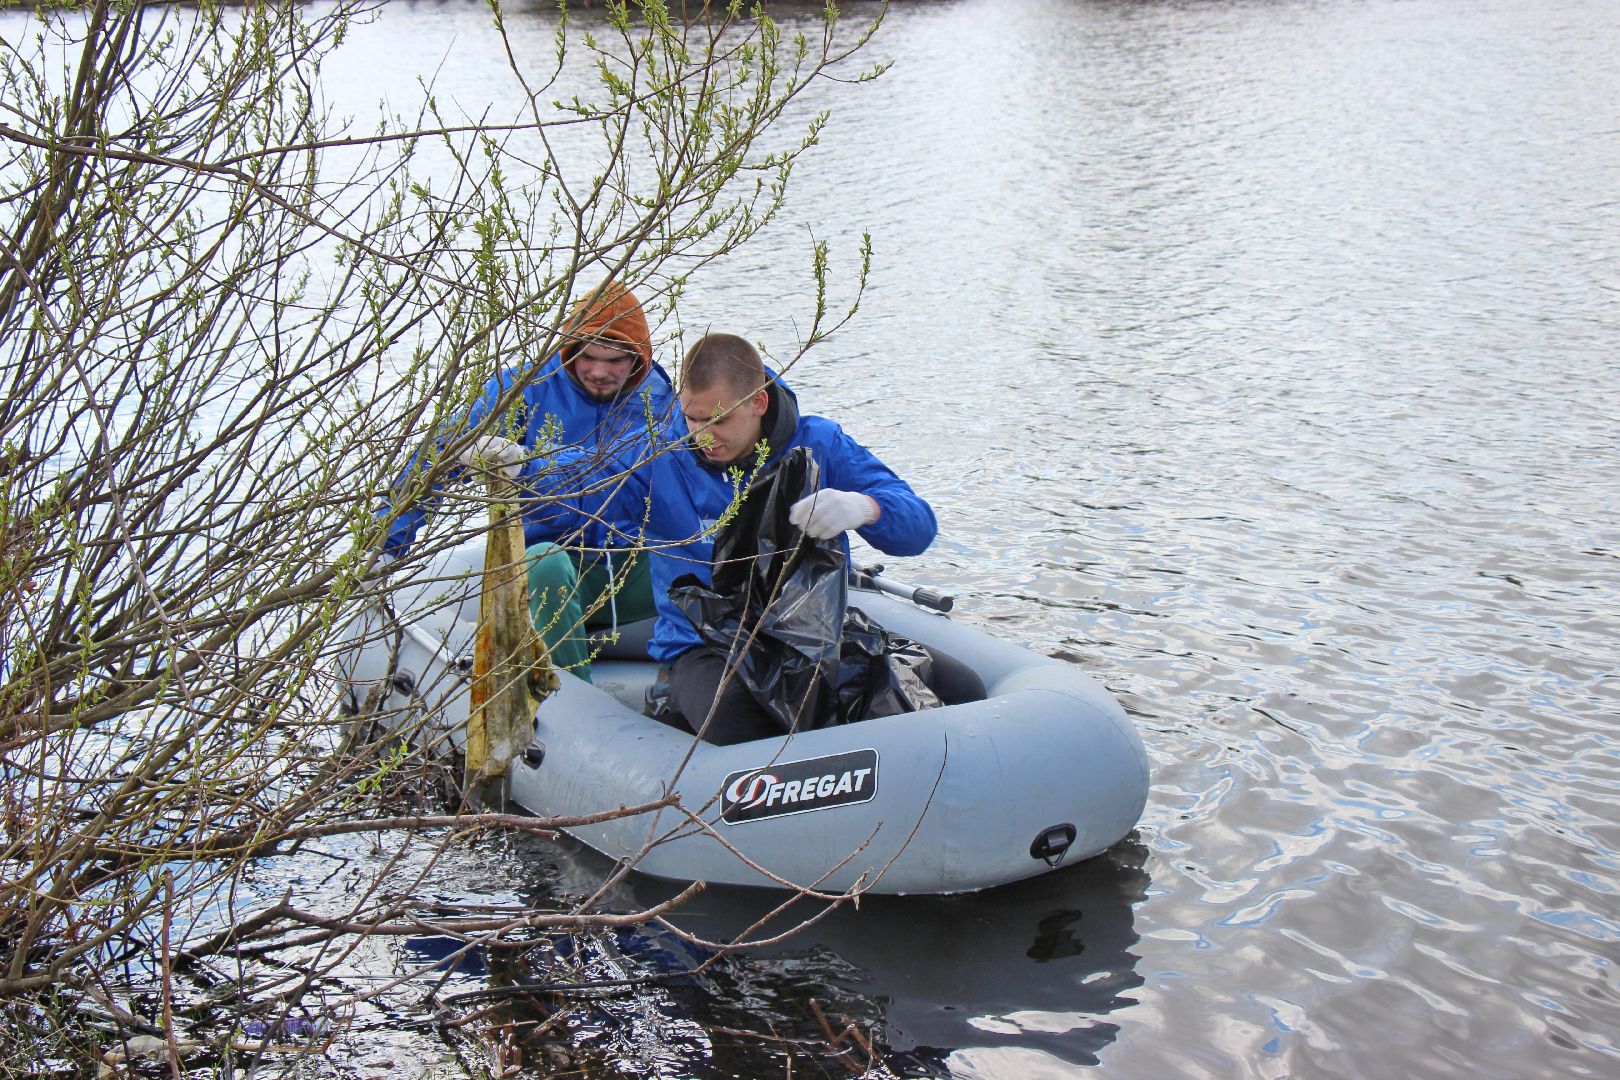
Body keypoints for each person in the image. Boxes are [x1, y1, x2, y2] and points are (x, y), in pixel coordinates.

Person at [643, 332, 979, 744]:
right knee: (742, 722)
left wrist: (864, 507)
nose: (702, 436)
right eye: (691, 419)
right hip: (703, 643)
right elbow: (569, 493)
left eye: (718, 419)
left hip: (812, 636)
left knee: (964, 690)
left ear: (758, 403)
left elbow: (919, 528)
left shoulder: (820, 443)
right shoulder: (655, 457)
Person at [380, 281, 676, 681]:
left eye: (617, 361)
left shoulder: (657, 404)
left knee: (712, 559)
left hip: (628, 561)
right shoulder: (524, 389)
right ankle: (571, 706)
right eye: (588, 356)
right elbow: (433, 460)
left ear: (638, 360)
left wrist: (526, 466)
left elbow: (607, 478)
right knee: (545, 564)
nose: (600, 372)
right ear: (570, 350)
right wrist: (387, 546)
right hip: (544, 560)